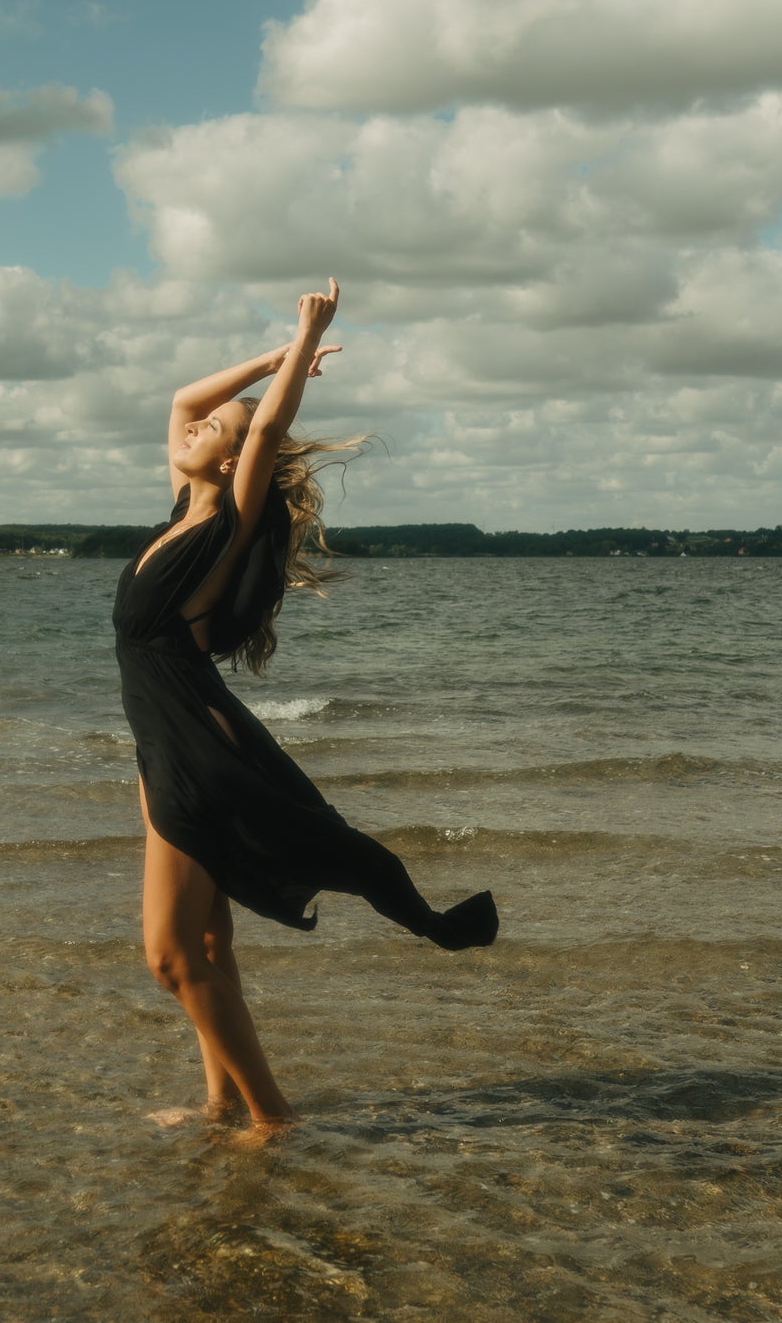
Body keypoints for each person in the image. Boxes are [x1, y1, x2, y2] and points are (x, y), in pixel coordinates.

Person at [113, 278, 498, 1128]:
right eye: (211, 422)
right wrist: (275, 355)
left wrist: (302, 341)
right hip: (165, 746)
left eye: (218, 431)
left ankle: (271, 1119)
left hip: (196, 754)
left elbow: (265, 431)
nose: (197, 424)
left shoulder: (225, 522)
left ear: (230, 461)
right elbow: (182, 396)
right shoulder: (180, 509)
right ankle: (222, 1105)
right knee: (208, 945)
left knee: (171, 958)